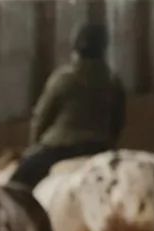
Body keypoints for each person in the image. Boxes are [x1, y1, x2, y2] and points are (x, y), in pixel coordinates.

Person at [11, 20, 128, 190]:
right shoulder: (113, 82)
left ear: (75, 48)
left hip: (61, 147)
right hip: (100, 147)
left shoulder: (64, 79)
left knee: (17, 183)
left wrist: (33, 148)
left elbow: (41, 118)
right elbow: (118, 122)